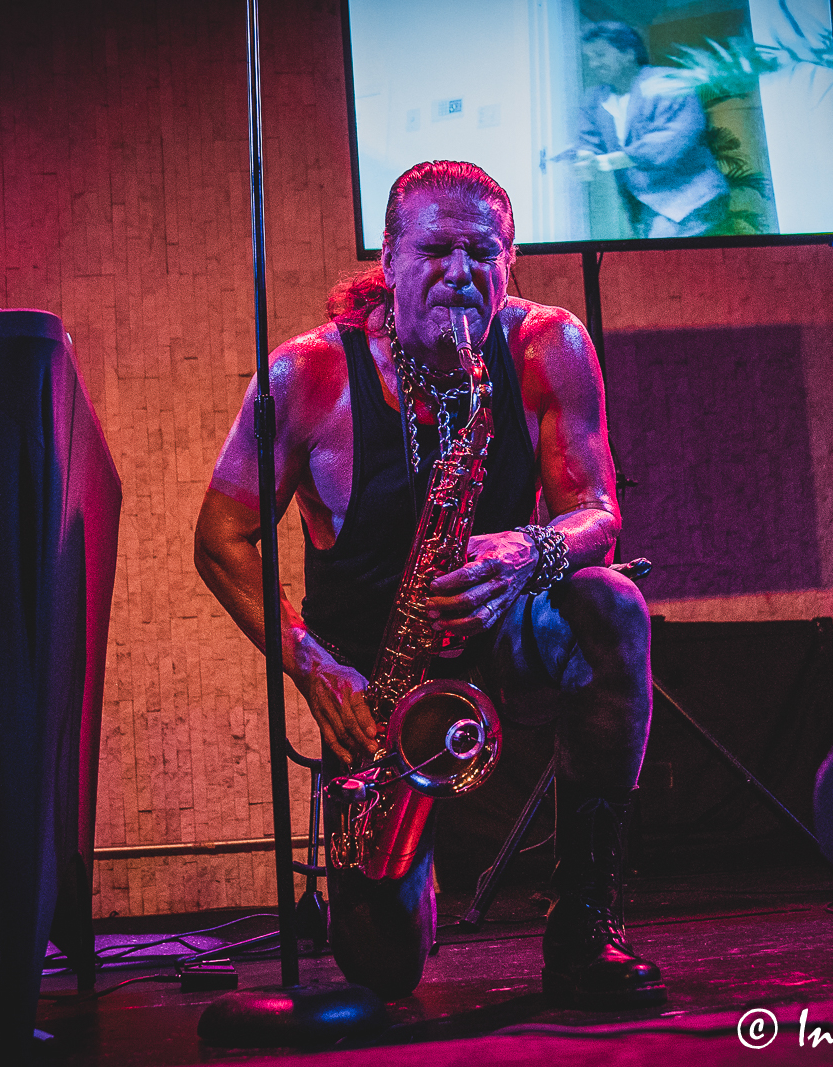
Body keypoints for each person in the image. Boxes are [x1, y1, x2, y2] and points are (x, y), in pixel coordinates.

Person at [194, 160, 664, 1007]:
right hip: (376, 685)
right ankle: (402, 867)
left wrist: (526, 551)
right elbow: (221, 538)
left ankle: (586, 922)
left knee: (613, 607)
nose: (460, 273)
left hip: (502, 634)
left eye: (483, 253)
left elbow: (597, 512)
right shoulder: (308, 376)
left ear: (511, 260)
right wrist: (310, 665)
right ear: (391, 256)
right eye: (436, 249)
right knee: (386, 969)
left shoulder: (545, 346)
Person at [574, 21, 728, 238]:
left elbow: (674, 138)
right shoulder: (594, 99)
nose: (593, 64)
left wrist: (609, 161)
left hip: (693, 197)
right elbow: (588, 141)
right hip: (647, 205)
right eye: (589, 57)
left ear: (628, 53)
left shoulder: (667, 82)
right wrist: (585, 157)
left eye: (600, 55)